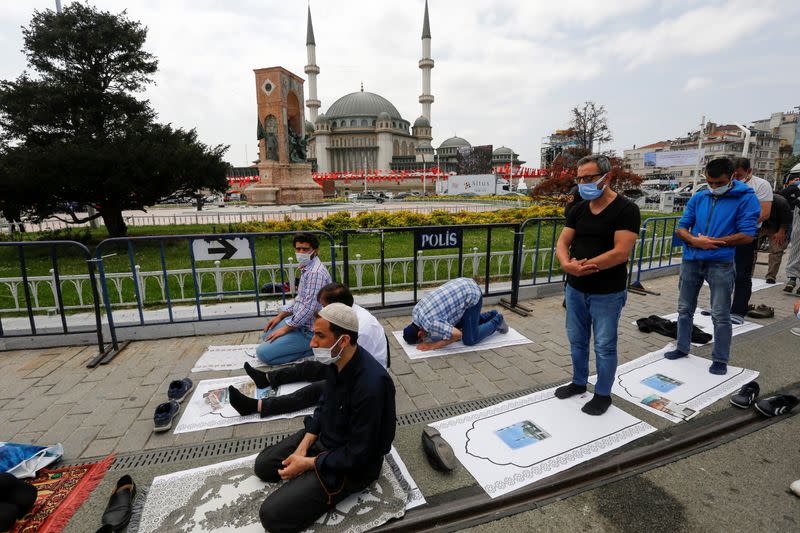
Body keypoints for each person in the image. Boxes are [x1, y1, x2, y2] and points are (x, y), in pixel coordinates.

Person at [253, 303, 396, 532]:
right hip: (327, 437)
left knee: (272, 516)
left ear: (344, 341)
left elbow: (360, 453)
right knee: (263, 465)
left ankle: (320, 482)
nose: (312, 343)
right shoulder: (336, 361)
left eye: (320, 335)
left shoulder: (372, 385)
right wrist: (303, 446)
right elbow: (323, 406)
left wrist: (309, 464)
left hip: (353, 465)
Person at [553, 154, 640, 416]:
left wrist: (584, 266)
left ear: (607, 177)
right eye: (580, 179)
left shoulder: (626, 210)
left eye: (589, 178)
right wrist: (567, 265)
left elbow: (620, 252)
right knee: (577, 340)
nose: (583, 184)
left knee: (604, 345)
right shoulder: (579, 209)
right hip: (576, 289)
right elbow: (562, 242)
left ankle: (603, 393)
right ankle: (579, 382)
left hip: (607, 292)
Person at [228, 283, 388, 418]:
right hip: (351, 366)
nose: (321, 310)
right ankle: (267, 378)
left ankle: (258, 406)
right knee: (309, 367)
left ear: (337, 305)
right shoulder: (346, 314)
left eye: (324, 306)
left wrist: (331, 376)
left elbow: (356, 365)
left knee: (317, 389)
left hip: (363, 378)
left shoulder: (362, 327)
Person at [665, 157, 760, 374]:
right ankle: (682, 346)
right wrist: (694, 241)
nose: (714, 187)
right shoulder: (699, 196)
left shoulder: (746, 198)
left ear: (732, 177)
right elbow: (682, 227)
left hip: (721, 262)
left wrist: (717, 242)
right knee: (684, 308)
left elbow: (747, 235)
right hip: (691, 259)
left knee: (720, 313)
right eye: (710, 182)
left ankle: (720, 359)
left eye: (719, 183)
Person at [257, 233, 332, 365]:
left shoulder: (315, 273)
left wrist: (286, 328)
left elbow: (309, 307)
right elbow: (300, 299)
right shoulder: (307, 268)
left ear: (315, 251)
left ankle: (314, 348)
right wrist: (280, 317)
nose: (301, 252)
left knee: (263, 354)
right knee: (266, 335)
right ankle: (292, 340)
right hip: (300, 323)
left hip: (310, 330)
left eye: (305, 249)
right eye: (298, 249)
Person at [402, 277, 507, 350]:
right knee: (446, 332)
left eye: (421, 339)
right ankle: (492, 314)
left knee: (470, 339)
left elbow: (457, 335)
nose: (424, 339)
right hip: (462, 285)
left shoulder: (430, 324)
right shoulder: (416, 311)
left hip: (472, 294)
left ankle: (498, 320)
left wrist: (433, 346)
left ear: (420, 333)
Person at [730, 157, 773, 323]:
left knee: (742, 274)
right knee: (722, 273)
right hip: (725, 234)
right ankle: (721, 306)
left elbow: (764, 213)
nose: (736, 179)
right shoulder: (727, 184)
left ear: (749, 172)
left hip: (747, 235)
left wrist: (739, 223)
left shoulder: (761, 185)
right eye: (733, 175)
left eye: (739, 175)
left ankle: (738, 311)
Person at [757, 191, 791, 285]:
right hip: (760, 225)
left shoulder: (781, 202)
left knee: (776, 250)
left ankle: (771, 276)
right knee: (750, 248)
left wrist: (781, 232)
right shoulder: (756, 199)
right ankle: (747, 273)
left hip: (777, 227)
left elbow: (787, 219)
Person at [781, 172, 800, 294]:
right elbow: (785, 194)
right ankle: (792, 279)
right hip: (799, 219)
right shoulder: (797, 185)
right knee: (795, 248)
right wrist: (794, 186)